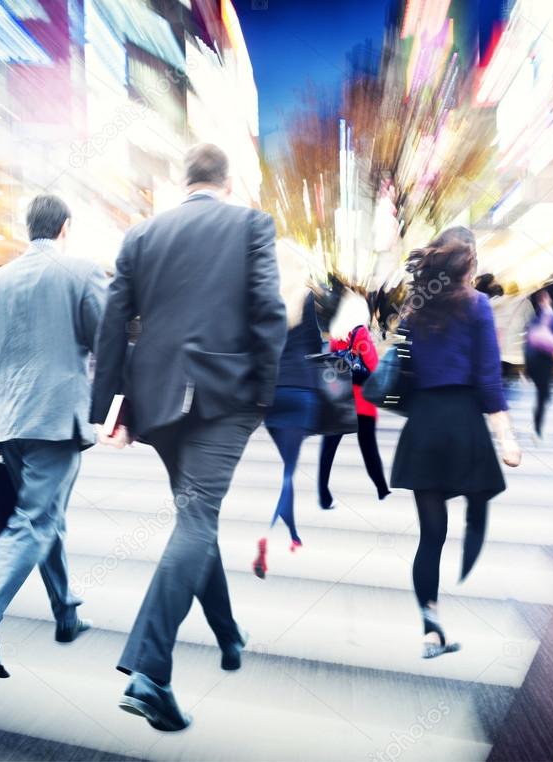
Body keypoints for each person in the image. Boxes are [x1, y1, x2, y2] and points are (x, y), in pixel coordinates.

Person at [91, 144, 286, 732]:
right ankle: (151, 672)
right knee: (197, 521)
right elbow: (269, 313)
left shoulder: (141, 236)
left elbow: (113, 322)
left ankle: (228, 634)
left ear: (185, 181)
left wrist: (108, 409)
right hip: (224, 397)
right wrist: (265, 395)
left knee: (194, 519)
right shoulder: (251, 224)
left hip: (157, 403)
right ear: (226, 182)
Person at [0, 194, 104, 676]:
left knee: (44, 515)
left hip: (8, 419)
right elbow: (105, 338)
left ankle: (66, 613)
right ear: (64, 227)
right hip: (56, 420)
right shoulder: (81, 272)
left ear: (29, 229)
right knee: (35, 520)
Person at [390, 227, 521, 659]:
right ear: (468, 263)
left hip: (424, 426)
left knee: (430, 537)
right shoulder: (478, 306)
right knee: (481, 493)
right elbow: (488, 380)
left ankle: (430, 627)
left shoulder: (414, 310)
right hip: (463, 423)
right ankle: (474, 540)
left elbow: (401, 375)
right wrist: (506, 437)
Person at [252, 244, 322, 578]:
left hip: (270, 393)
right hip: (301, 388)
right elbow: (313, 345)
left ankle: (293, 535)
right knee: (289, 472)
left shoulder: (261, 296)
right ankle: (267, 535)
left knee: (287, 470)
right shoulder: (306, 298)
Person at [317, 290, 391, 511]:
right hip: (361, 402)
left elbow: (330, 365)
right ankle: (381, 488)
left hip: (339, 400)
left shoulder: (336, 336)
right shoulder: (360, 334)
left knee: (328, 449)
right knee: (368, 447)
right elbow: (374, 369)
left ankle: (323, 494)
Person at [524, 289, 553, 438]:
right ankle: (537, 426)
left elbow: (527, 342)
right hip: (543, 359)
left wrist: (527, 365)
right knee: (542, 394)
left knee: (542, 390)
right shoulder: (550, 316)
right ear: (545, 299)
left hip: (532, 359)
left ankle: (538, 418)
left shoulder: (533, 317)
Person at [491, 281, 534, 382]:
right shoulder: (524, 301)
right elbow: (531, 318)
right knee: (516, 356)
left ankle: (503, 377)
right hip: (518, 333)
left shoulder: (499, 301)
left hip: (502, 335)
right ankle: (520, 375)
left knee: (503, 357)